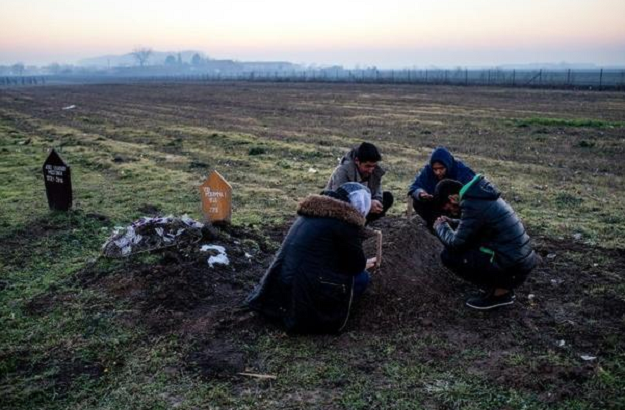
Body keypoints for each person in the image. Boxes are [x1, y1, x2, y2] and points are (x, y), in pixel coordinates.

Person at [246, 182, 376, 333]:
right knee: (361, 278)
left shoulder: (312, 214)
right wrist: (365, 263)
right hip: (306, 289)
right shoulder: (345, 223)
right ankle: (328, 312)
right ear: (361, 203)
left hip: (280, 285)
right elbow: (355, 265)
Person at [433, 175, 537, 310]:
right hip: (519, 262)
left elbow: (456, 244)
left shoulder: (472, 204)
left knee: (449, 256)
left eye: (448, 207)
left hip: (512, 266)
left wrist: (440, 227)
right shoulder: (480, 197)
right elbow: (479, 226)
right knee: (470, 248)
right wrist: (452, 223)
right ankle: (500, 288)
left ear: (452, 198)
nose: (451, 211)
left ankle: (500, 293)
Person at [408, 147, 475, 230]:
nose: (438, 172)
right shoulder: (427, 171)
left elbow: (474, 190)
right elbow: (415, 187)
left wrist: (458, 200)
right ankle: (435, 226)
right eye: (435, 169)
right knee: (417, 201)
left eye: (441, 168)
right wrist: (421, 194)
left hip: (459, 208)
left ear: (448, 165)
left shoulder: (462, 171)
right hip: (439, 206)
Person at [326, 142, 393, 224]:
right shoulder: (342, 171)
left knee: (387, 197)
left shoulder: (375, 171)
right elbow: (339, 201)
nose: (371, 170)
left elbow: (377, 192)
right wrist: (368, 204)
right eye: (367, 166)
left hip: (363, 207)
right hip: (340, 211)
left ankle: (363, 225)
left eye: (373, 166)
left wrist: (376, 201)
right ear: (357, 161)